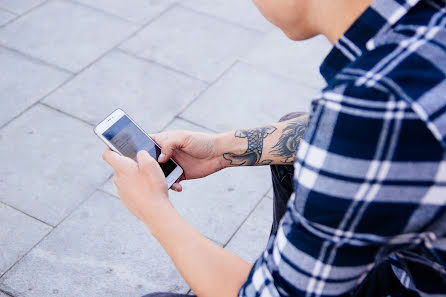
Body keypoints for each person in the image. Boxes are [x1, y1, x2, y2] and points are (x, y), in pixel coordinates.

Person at [102, 0, 446, 295]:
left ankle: (288, 269)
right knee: (294, 140)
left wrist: (153, 208)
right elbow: (357, 132)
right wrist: (221, 150)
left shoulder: (375, 104)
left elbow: (369, 125)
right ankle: (295, 261)